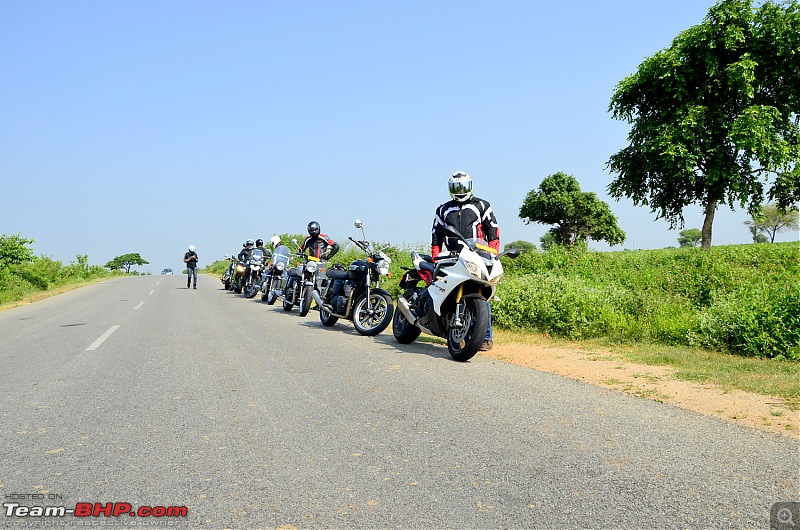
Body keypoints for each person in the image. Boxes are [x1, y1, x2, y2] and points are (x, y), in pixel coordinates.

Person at [431, 171, 501, 351]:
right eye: (456, 187)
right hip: (452, 255)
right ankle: (450, 331)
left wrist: (493, 253)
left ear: (470, 186)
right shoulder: (443, 209)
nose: (459, 191)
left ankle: (486, 337)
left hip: (477, 254)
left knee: (482, 293)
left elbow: (493, 231)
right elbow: (436, 235)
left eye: (462, 186)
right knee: (446, 290)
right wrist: (435, 255)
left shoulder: (482, 205)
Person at [300, 222, 340, 302]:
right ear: (309, 230)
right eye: (312, 230)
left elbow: (336, 246)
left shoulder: (324, 237)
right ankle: (301, 295)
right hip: (310, 263)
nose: (314, 231)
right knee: (303, 276)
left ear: (318, 229)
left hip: (321, 263)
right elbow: (301, 248)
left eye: (315, 229)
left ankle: (319, 302)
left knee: (320, 282)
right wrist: (301, 254)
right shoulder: (308, 239)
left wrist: (328, 257)